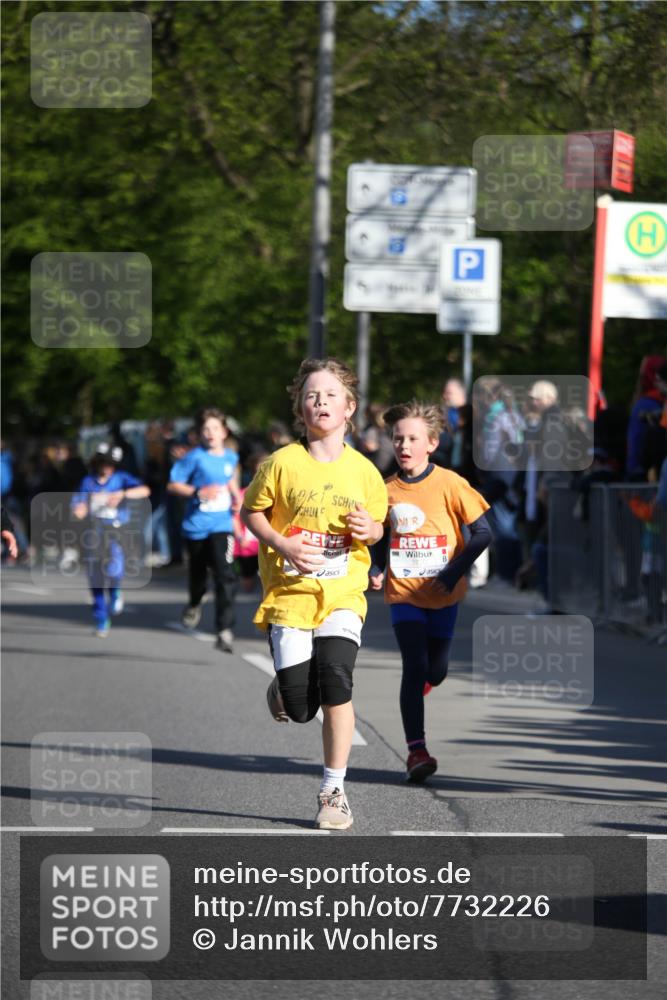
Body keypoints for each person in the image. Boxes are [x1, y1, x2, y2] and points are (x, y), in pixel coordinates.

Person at [241, 358, 387, 830]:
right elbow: (251, 513)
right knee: (301, 708)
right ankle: (285, 688)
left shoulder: (364, 471)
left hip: (343, 593)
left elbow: (377, 526)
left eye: (330, 395)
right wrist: (281, 542)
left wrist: (371, 529)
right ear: (300, 409)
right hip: (291, 595)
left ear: (349, 408)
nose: (320, 401)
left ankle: (333, 791)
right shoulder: (281, 463)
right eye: (311, 395)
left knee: (338, 681)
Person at [370, 401, 492, 783]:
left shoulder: (450, 483)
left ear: (432, 444)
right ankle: (416, 751)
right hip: (404, 593)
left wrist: (453, 571)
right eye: (398, 438)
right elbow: (378, 536)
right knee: (414, 665)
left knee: (435, 671)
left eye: (412, 439)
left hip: (443, 592)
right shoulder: (385, 489)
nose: (403, 446)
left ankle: (420, 687)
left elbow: (484, 533)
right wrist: (376, 567)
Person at [168, 408, 241, 652]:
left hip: (222, 525)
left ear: (224, 432)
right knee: (198, 577)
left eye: (215, 428)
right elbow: (173, 485)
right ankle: (194, 602)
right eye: (205, 429)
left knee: (225, 574)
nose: (210, 433)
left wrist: (236, 498)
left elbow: (230, 479)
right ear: (199, 433)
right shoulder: (194, 457)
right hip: (196, 526)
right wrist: (198, 492)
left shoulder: (230, 456)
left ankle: (224, 629)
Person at [72, 443, 150, 637]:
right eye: (103, 462)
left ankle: (115, 591)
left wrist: (122, 494)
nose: (107, 467)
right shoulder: (88, 482)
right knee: (95, 578)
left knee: (114, 567)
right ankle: (101, 620)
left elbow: (144, 490)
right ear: (96, 463)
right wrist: (80, 510)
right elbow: (78, 506)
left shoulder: (121, 479)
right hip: (94, 533)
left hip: (116, 531)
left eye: (110, 463)